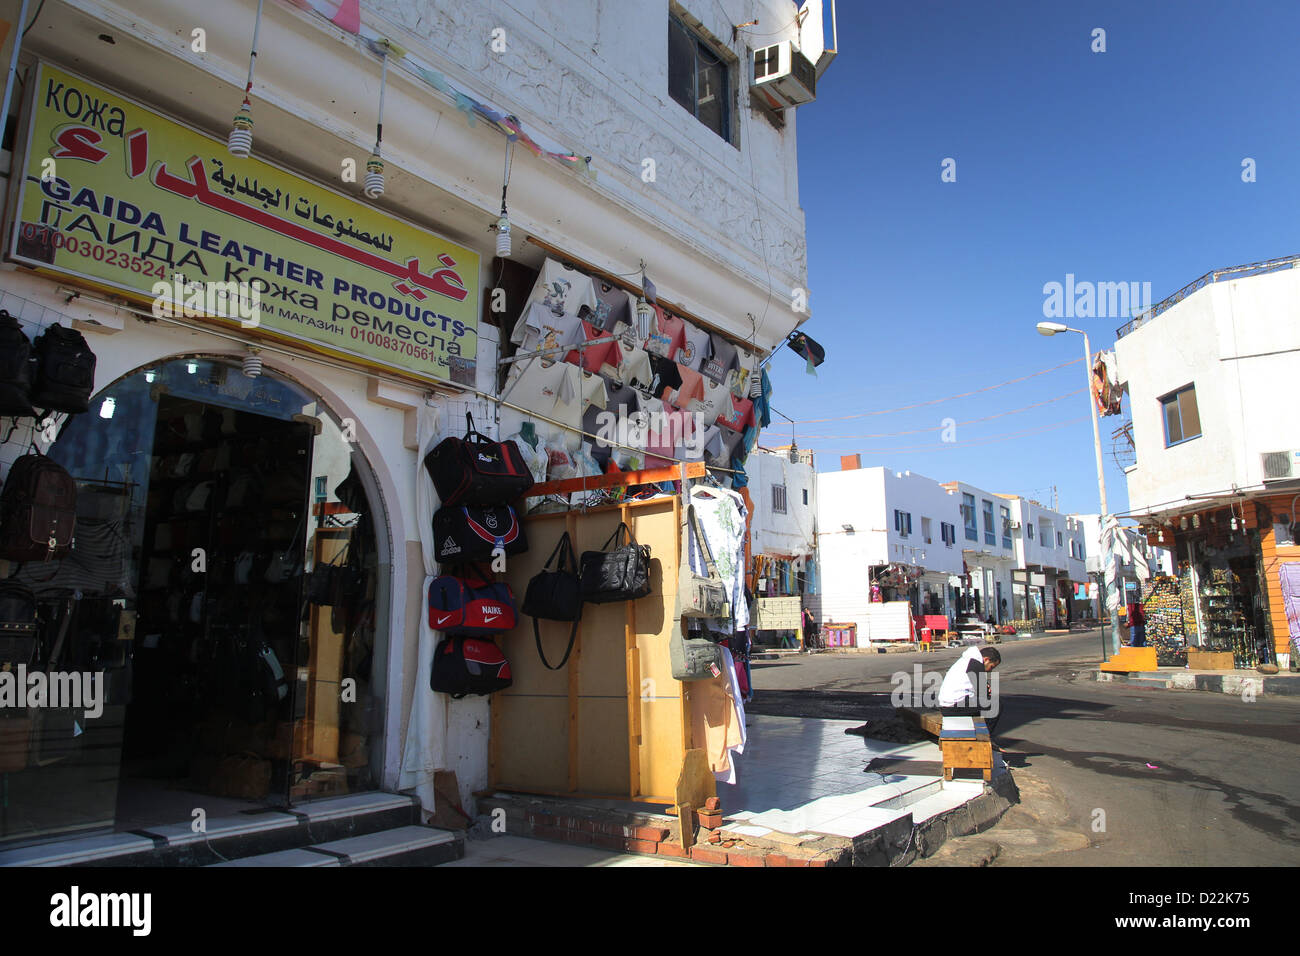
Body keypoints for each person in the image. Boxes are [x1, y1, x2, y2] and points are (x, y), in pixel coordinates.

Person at [937, 645, 1001, 736]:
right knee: (996, 705)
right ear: (986, 659)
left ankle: (976, 734)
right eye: (991, 667)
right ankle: (985, 738)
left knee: (980, 704)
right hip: (952, 708)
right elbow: (983, 694)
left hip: (947, 705)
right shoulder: (975, 664)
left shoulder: (967, 660)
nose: (990, 671)